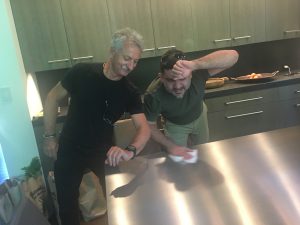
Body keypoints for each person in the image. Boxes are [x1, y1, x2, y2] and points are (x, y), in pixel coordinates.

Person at [42, 27, 151, 225]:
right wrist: (49, 137)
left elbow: (144, 128)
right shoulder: (82, 72)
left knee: (119, 198)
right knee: (67, 206)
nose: (131, 66)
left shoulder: (129, 91)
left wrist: (130, 151)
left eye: (135, 61)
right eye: (127, 58)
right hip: (69, 148)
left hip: (104, 151)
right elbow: (51, 98)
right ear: (112, 51)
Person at [143, 48, 239, 159]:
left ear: (190, 75)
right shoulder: (153, 95)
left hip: (199, 115)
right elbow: (149, 126)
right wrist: (170, 146)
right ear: (162, 78)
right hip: (175, 124)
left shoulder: (197, 73)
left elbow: (233, 56)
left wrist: (195, 65)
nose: (177, 86)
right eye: (170, 80)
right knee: (179, 159)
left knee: (204, 151)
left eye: (182, 79)